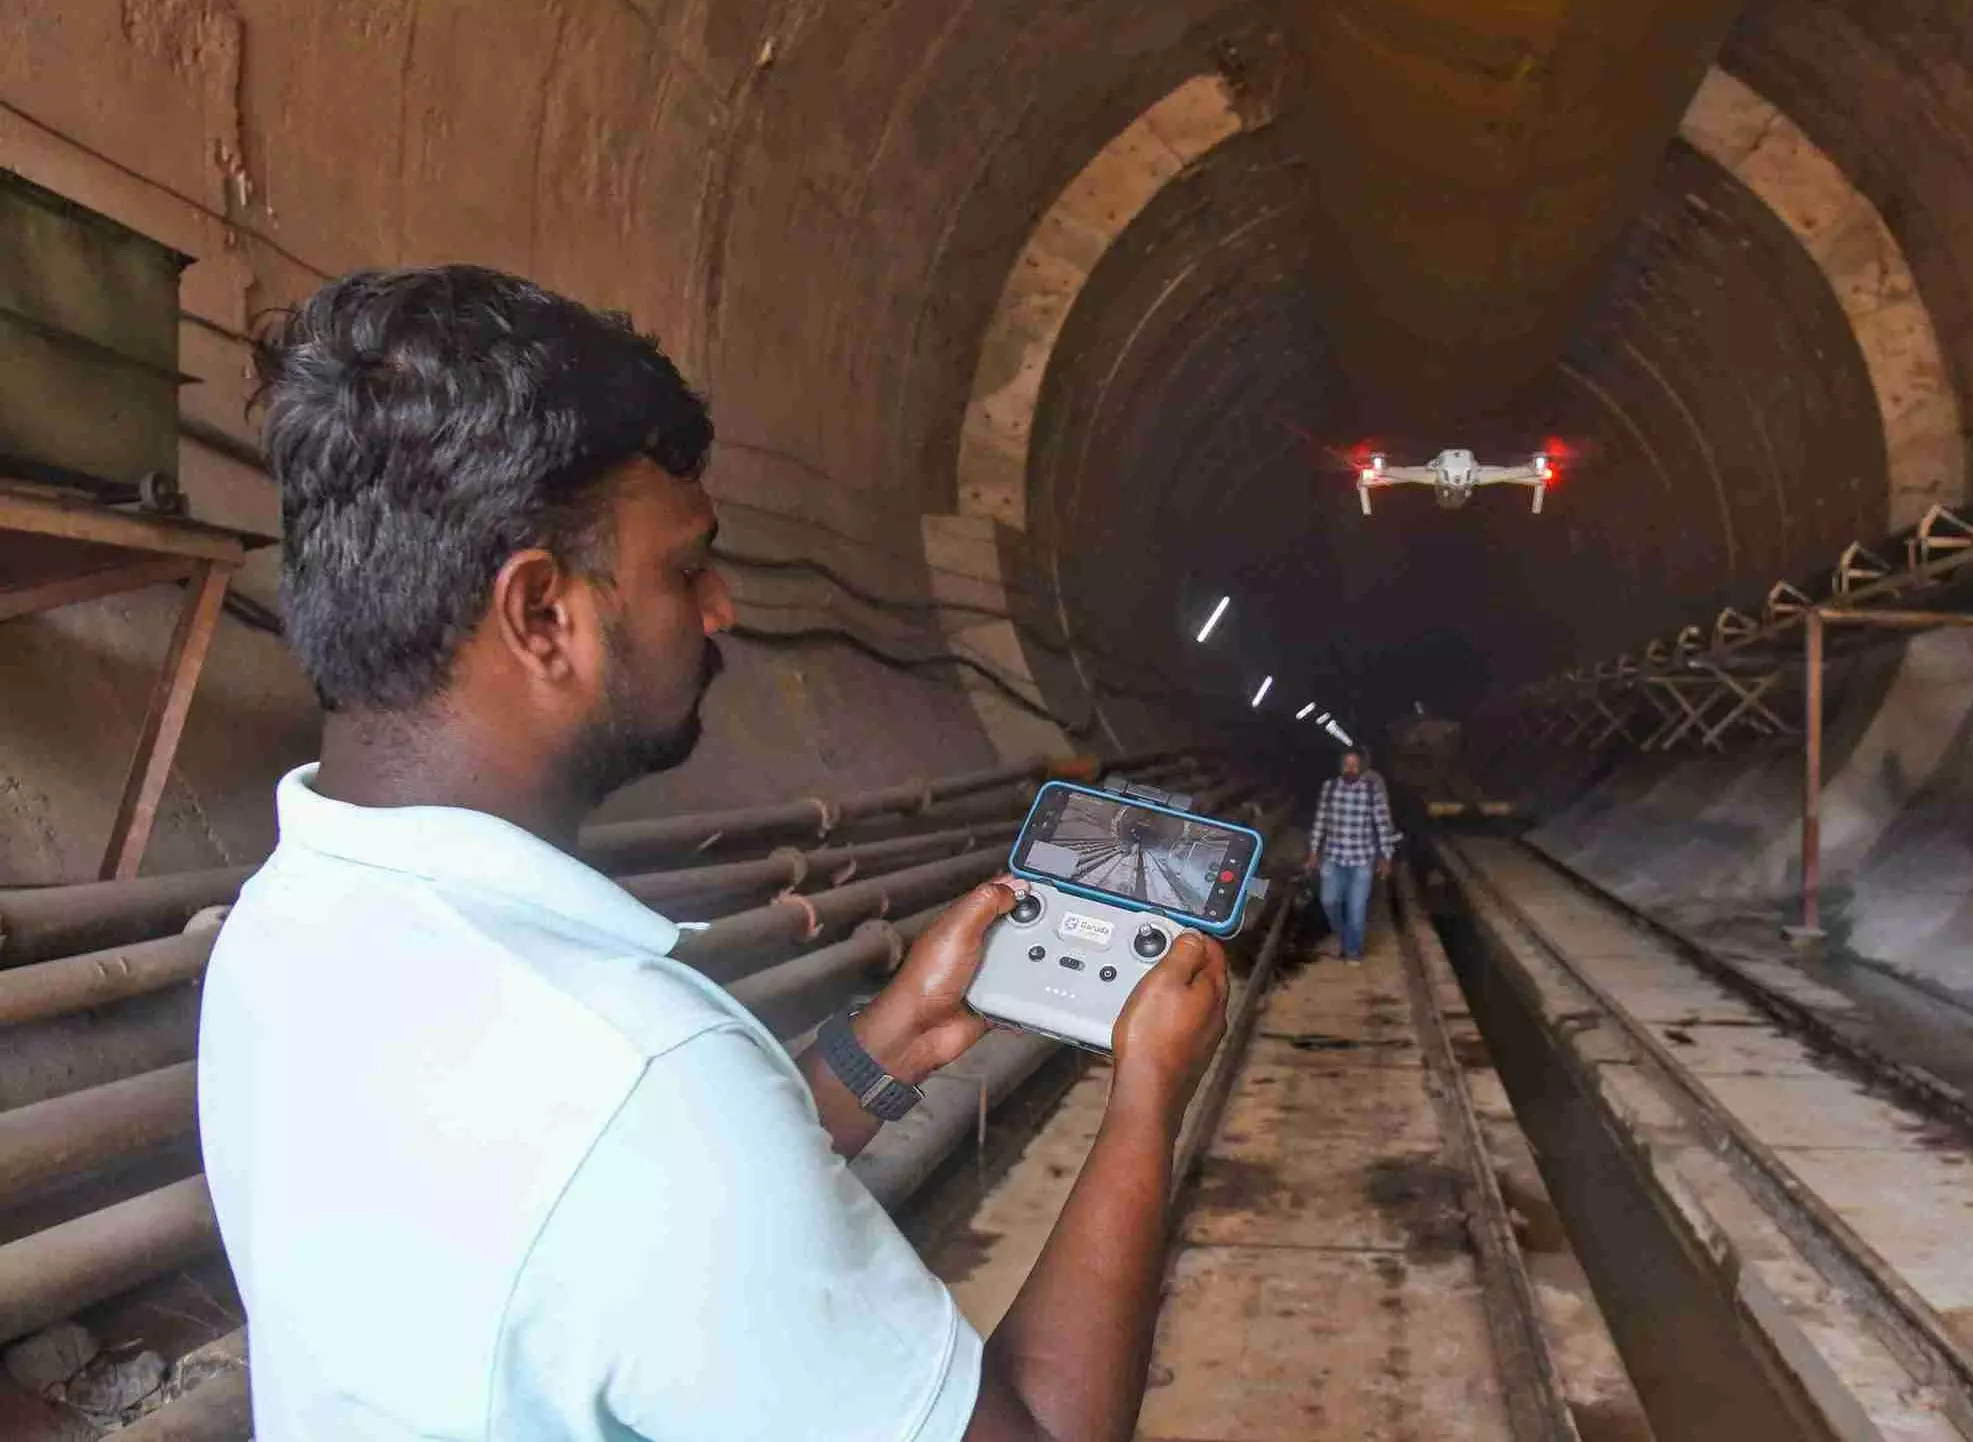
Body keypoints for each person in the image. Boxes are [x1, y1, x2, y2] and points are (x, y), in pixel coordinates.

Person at [196, 265, 1230, 1442]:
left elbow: (577, 1221)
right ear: (543, 615)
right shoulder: (647, 1087)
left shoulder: (281, 925)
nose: (722, 606)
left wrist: (888, 1041)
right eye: (685, 567)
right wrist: (1147, 1092)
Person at [1302, 749, 1399, 961]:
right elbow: (1320, 823)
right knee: (1329, 902)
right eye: (1347, 764)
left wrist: (1386, 857)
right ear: (1341, 767)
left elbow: (1383, 826)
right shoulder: (1329, 788)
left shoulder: (1373, 790)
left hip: (1362, 860)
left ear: (1362, 768)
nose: (1351, 769)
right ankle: (1346, 938)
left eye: (1355, 765)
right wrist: (1313, 852)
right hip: (1333, 857)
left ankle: (1353, 953)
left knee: (1357, 910)